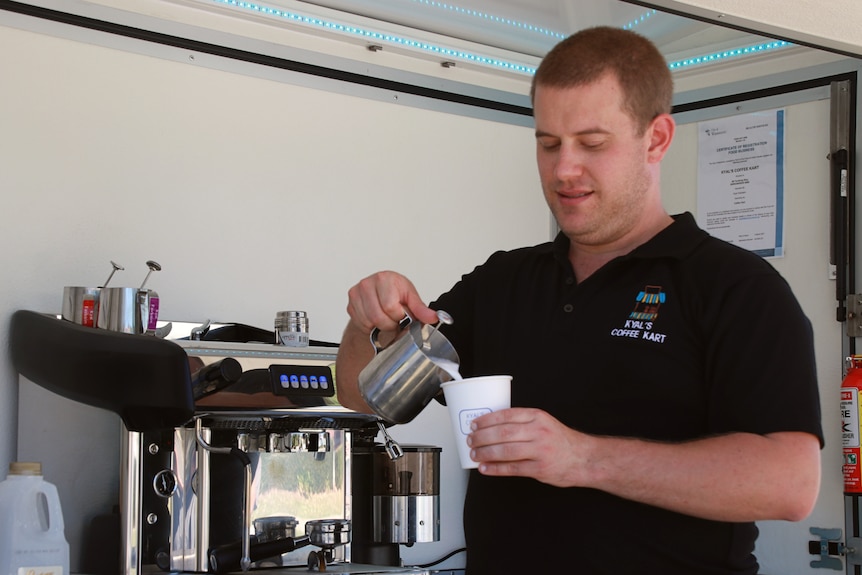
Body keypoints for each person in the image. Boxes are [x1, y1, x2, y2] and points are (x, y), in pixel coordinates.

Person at [335, 26, 823, 575]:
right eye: (548, 143)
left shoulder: (734, 287)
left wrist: (583, 458)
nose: (564, 169)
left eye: (592, 144)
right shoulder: (503, 281)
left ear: (656, 139)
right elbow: (362, 397)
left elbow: (790, 483)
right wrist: (366, 323)